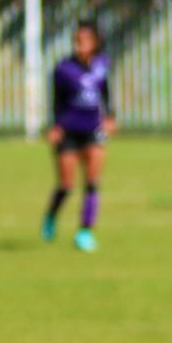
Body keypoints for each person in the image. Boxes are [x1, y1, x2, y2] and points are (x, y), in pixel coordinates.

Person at [41, 22, 115, 252]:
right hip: (69, 130)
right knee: (66, 185)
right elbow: (56, 100)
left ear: (95, 43)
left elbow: (105, 92)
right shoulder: (63, 69)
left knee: (92, 182)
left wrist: (111, 116)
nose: (80, 45)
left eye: (85, 41)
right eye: (77, 41)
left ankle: (85, 232)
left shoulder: (102, 65)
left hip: (93, 129)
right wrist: (55, 126)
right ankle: (51, 216)